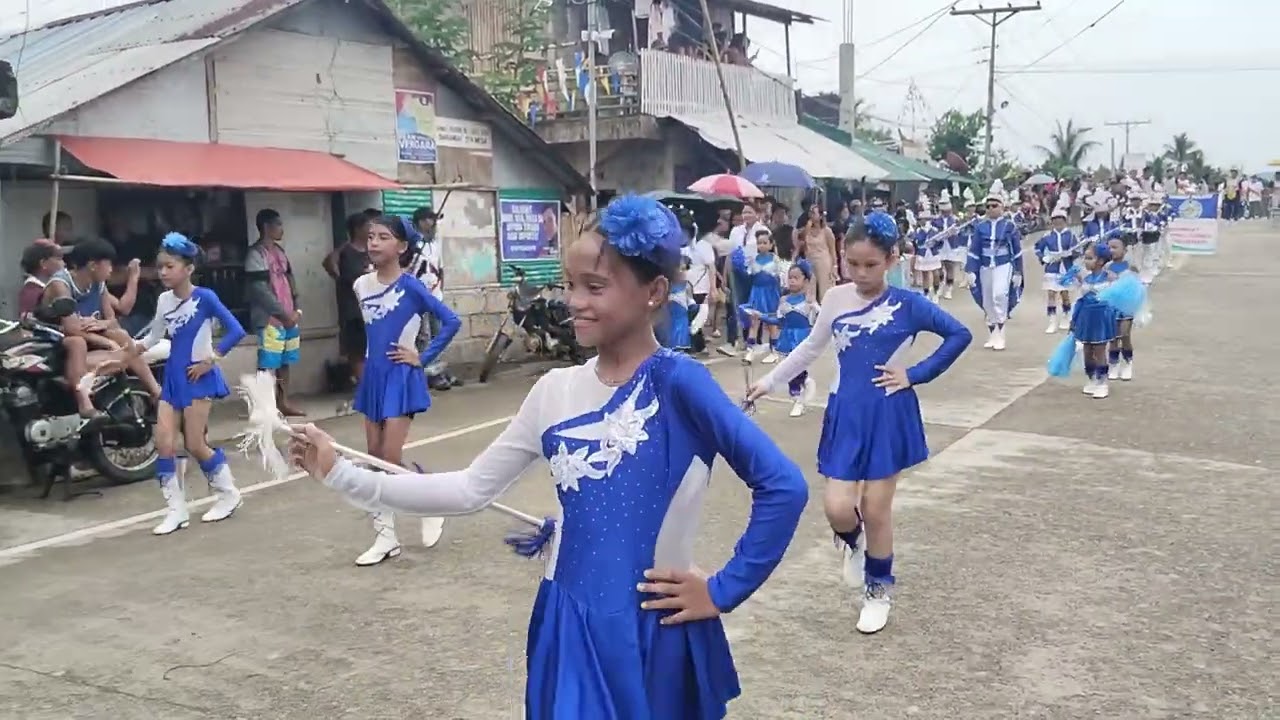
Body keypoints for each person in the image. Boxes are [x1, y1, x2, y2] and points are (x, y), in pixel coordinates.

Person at [289, 193, 807, 717]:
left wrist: (722, 590)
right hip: (567, 620)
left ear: (653, 292)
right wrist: (341, 473)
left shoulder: (681, 384)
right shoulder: (554, 390)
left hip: (649, 629)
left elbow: (783, 485)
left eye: (595, 287)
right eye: (570, 284)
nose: (573, 300)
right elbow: (468, 490)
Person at [747, 210, 971, 634]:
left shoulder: (909, 304)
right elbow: (811, 349)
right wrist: (770, 380)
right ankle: (853, 545)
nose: (862, 273)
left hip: (888, 413)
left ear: (891, 260)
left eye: (871, 264)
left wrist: (914, 374)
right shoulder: (835, 299)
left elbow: (959, 334)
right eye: (853, 264)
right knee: (837, 508)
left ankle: (878, 589)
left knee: (875, 507)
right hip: (844, 412)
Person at [350, 214, 461, 567]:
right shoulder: (360, 285)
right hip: (374, 377)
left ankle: (429, 504)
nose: (374, 243)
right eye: (370, 236)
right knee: (373, 458)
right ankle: (387, 538)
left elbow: (451, 321)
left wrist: (422, 357)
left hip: (401, 376)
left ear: (401, 247)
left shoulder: (412, 286)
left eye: (383, 237)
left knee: (386, 459)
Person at [135, 233, 248, 535]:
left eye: (169, 266)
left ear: (187, 268)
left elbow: (236, 330)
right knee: (164, 443)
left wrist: (212, 359)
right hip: (173, 377)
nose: (162, 272)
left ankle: (228, 493)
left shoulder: (205, 297)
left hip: (198, 377)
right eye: (159, 267)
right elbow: (153, 338)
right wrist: (124, 353)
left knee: (195, 444)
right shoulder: (163, 301)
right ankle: (176, 510)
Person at [44, 240, 163, 404]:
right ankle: (84, 401)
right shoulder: (61, 284)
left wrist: (104, 324)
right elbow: (71, 328)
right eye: (108, 265)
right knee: (88, 344)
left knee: (121, 335)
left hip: (89, 337)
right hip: (61, 344)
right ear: (93, 265)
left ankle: (157, 392)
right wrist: (107, 342)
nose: (111, 270)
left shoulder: (98, 284)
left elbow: (112, 319)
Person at [19, 240, 97, 417]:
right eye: (60, 258)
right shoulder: (35, 291)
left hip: (50, 340)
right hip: (42, 345)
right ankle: (82, 397)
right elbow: (34, 323)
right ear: (44, 264)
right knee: (77, 343)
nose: (64, 264)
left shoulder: (45, 287)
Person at [245, 209, 304, 417]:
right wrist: (283, 314)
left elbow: (290, 280)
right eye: (278, 224)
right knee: (267, 363)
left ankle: (283, 401)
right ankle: (264, 405)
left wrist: (295, 308)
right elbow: (260, 291)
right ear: (267, 227)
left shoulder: (279, 252)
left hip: (288, 318)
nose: (281, 229)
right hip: (270, 319)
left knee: (285, 362)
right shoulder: (255, 254)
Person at [964, 186, 1024, 351]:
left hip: (1003, 265)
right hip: (985, 267)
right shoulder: (980, 227)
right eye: (988, 206)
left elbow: (1017, 251)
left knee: (999, 295)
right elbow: (974, 251)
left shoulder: (1009, 226)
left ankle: (1001, 333)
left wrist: (1018, 271)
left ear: (1002, 207)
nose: (990, 209)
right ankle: (993, 333)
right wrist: (970, 270)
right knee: (987, 300)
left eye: (994, 205)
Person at [408, 206, 461, 392]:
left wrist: (440, 291)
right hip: (417, 298)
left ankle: (438, 370)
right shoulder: (412, 245)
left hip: (435, 296)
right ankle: (428, 375)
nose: (434, 224)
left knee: (439, 335)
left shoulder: (434, 245)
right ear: (421, 222)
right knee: (423, 337)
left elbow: (441, 269)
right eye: (431, 220)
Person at [324, 212, 373, 383]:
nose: (371, 229)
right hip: (353, 308)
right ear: (358, 229)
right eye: (368, 226)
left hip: (372, 308)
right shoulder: (346, 251)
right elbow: (330, 263)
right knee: (356, 348)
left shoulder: (371, 251)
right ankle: (363, 383)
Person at [766, 259, 819, 417]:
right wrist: (761, 317)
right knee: (788, 371)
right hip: (786, 338)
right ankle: (803, 388)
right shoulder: (783, 300)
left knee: (796, 369)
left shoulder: (809, 302)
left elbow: (823, 318)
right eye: (790, 277)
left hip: (802, 337)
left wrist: (814, 305)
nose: (792, 281)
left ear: (805, 280)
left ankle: (799, 398)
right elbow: (779, 321)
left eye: (796, 278)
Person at [718, 205, 768, 357]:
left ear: (757, 214)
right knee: (734, 305)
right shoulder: (735, 231)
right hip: (737, 272)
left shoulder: (763, 230)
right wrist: (725, 275)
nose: (746, 215)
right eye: (744, 212)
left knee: (753, 306)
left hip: (755, 272)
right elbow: (729, 253)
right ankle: (732, 341)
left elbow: (769, 251)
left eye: (750, 212)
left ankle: (753, 340)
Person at [734, 228, 785, 364]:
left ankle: (774, 351)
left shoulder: (776, 260)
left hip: (770, 293)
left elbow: (781, 278)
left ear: (770, 244)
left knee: (771, 323)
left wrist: (781, 295)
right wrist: (740, 268)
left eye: (764, 242)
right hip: (756, 293)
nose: (761, 245)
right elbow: (748, 275)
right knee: (754, 322)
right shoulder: (754, 259)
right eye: (759, 243)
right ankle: (750, 350)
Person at [1034, 206, 1078, 334]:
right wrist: (1044, 257)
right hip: (1052, 267)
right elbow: (1038, 248)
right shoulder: (1047, 236)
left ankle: (1066, 316)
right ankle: (1052, 320)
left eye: (1060, 219)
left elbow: (1077, 250)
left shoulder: (1070, 235)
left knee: (1065, 294)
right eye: (1055, 219)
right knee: (1051, 294)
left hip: (1066, 267)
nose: (1058, 221)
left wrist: (1069, 254)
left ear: (1065, 220)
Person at [1103, 237, 1139, 382]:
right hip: (1111, 306)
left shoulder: (1131, 266)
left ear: (1124, 250)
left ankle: (1128, 363)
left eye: (1115, 247)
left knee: (1124, 335)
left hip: (1126, 306)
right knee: (1112, 338)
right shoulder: (1106, 267)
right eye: (1109, 247)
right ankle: (1113, 364)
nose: (1112, 250)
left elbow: (1137, 286)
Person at [796, 205, 838, 301]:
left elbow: (832, 249)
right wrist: (807, 227)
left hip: (823, 261)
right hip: (810, 260)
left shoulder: (826, 231)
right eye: (810, 212)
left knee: (824, 289)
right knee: (810, 288)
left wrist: (834, 266)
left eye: (814, 213)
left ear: (820, 216)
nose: (811, 215)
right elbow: (801, 240)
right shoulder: (807, 230)